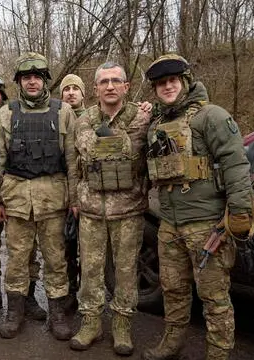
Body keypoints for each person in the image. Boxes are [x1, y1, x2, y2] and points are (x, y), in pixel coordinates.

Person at [141, 54, 253, 360]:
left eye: (172, 81)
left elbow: (236, 163)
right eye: (161, 83)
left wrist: (240, 211)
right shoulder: (157, 125)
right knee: (173, 290)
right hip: (169, 225)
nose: (167, 87)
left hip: (206, 225)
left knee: (214, 297)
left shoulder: (212, 117)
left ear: (185, 81)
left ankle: (218, 354)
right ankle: (172, 343)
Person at [67, 62, 151, 355]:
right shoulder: (85, 118)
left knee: (126, 271)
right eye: (104, 82)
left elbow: (131, 149)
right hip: (91, 210)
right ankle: (90, 322)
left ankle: (122, 324)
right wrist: (74, 200)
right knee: (90, 270)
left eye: (116, 81)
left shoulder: (140, 117)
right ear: (96, 88)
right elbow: (85, 152)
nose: (110, 86)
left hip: (128, 210)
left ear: (126, 87)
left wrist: (110, 142)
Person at [0, 52, 76, 340]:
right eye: (26, 77)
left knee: (55, 259)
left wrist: (74, 200)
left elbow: (72, 160)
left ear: (44, 81)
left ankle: (57, 314)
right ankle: (15, 311)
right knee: (17, 258)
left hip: (52, 200)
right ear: (19, 81)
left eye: (36, 77)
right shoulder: (7, 113)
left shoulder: (63, 111)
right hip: (16, 200)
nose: (31, 82)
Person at [0, 72, 46, 321]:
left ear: (3, 95)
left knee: (26, 249)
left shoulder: (16, 114)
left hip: (19, 195)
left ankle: (28, 296)